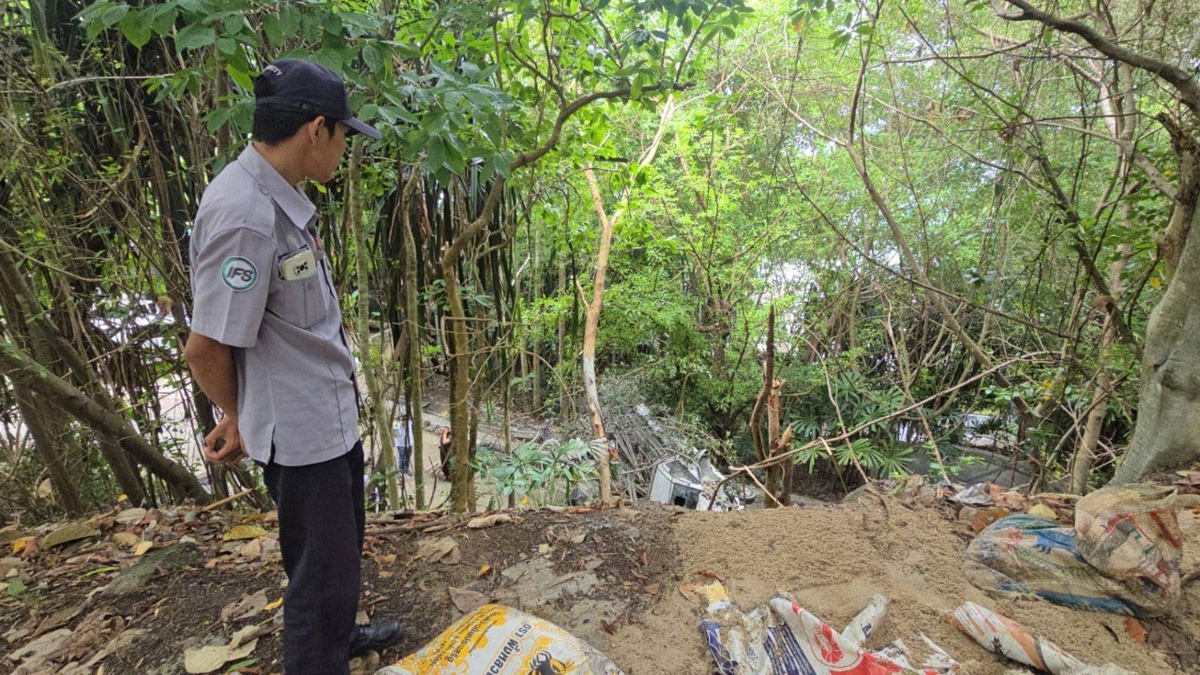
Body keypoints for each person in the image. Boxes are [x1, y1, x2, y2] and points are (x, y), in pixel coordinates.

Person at [182, 58, 400, 674]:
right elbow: (205, 347)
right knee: (317, 571)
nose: (344, 148)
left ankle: (341, 636)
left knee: (339, 554)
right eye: (344, 134)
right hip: (300, 435)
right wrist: (239, 414)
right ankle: (318, 659)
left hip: (325, 416)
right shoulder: (245, 216)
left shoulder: (280, 195)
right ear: (315, 129)